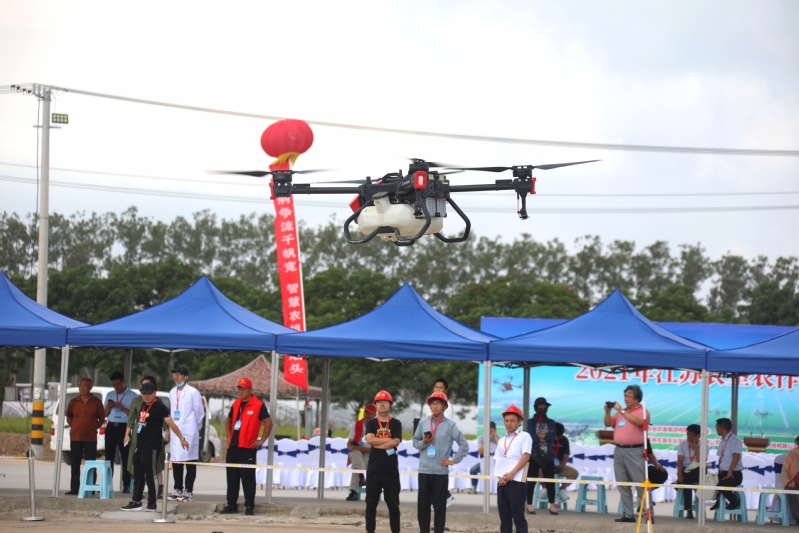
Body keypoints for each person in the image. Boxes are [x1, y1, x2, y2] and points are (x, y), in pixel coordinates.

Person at [121, 382, 189, 512]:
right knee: (138, 474)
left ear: (154, 393)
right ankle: (136, 501)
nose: (146, 396)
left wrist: (182, 439)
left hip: (152, 446)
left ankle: (152, 503)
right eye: (144, 394)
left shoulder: (160, 407)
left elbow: (171, 424)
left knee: (151, 474)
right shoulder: (143, 405)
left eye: (149, 393)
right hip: (140, 445)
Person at [413, 391, 469, 533]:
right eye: (433, 403)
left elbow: (464, 445)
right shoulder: (423, 422)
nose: (435, 406)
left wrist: (453, 461)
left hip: (440, 472)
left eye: (438, 403)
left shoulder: (450, 425)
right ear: (430, 406)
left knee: (439, 507)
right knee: (423, 506)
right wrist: (424, 443)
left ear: (444, 407)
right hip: (424, 470)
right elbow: (415, 442)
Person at [220, 378, 272, 516]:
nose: (240, 391)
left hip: (247, 448)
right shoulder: (236, 403)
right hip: (233, 447)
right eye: (239, 388)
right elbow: (228, 420)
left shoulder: (258, 405)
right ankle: (231, 504)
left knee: (248, 478)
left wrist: (262, 440)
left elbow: (268, 423)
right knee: (232, 478)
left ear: (250, 390)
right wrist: (229, 436)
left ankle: (249, 506)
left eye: (243, 388)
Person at [604, 384, 650, 523]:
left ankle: (648, 515)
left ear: (637, 398)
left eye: (629, 396)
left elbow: (638, 422)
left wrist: (622, 411)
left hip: (634, 450)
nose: (626, 399)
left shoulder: (642, 411)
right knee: (622, 484)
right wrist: (607, 412)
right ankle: (628, 514)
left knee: (640, 483)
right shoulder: (621, 412)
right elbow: (608, 423)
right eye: (625, 396)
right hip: (619, 450)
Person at [364, 390, 402, 533]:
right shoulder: (371, 423)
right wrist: (388, 440)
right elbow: (370, 440)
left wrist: (378, 443)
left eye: (385, 402)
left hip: (391, 471)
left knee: (393, 505)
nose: (382, 405)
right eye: (379, 402)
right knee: (371, 505)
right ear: (375, 405)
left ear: (390, 405)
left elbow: (396, 442)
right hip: (374, 470)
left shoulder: (396, 423)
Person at [166, 365, 205, 502]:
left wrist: (197, 427)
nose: (176, 377)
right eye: (174, 374)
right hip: (176, 430)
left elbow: (199, 412)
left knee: (190, 460)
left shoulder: (193, 392)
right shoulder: (172, 392)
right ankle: (178, 489)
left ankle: (188, 491)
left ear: (186, 377)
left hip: (189, 430)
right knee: (176, 460)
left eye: (179, 374)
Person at [125, 376, 167, 500]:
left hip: (154, 437)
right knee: (137, 464)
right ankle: (138, 494)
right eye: (144, 387)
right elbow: (131, 419)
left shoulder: (158, 403)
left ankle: (157, 491)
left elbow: (166, 420)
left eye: (149, 388)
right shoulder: (137, 401)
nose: (146, 392)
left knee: (155, 464)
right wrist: (126, 434)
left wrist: (167, 433)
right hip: (139, 436)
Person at [494, 405, 532, 533]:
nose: (509, 423)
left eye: (512, 421)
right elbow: (497, 459)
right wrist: (500, 477)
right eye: (506, 421)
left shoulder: (524, 436)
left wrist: (512, 473)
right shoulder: (502, 440)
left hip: (517, 482)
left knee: (518, 517)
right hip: (502, 482)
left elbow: (526, 456)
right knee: (504, 518)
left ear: (519, 421)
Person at [65, 377, 105, 495]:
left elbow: (102, 418)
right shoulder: (73, 402)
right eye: (81, 386)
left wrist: (94, 427)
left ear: (90, 387)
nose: (82, 388)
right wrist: (74, 426)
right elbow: (68, 416)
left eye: (85, 386)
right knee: (75, 464)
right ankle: (74, 488)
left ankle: (90, 487)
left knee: (91, 463)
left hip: (90, 438)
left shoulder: (96, 402)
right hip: (75, 437)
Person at [422, 378, 456, 507]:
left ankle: (445, 497)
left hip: (441, 444)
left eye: (441, 388)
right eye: (436, 387)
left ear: (446, 390)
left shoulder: (448, 406)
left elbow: (445, 425)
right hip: (429, 443)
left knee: (438, 472)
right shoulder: (428, 406)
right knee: (430, 472)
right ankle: (437, 499)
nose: (438, 389)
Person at [104, 371, 136, 493]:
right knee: (109, 456)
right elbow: (104, 414)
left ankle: (126, 484)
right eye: (114, 385)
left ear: (124, 382)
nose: (116, 387)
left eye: (118, 384)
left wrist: (122, 408)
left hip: (124, 427)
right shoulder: (110, 394)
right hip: (111, 426)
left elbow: (135, 415)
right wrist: (109, 406)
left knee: (125, 456)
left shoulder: (132, 396)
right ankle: (107, 484)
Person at [525, 396, 558, 515]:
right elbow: (531, 436)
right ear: (536, 408)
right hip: (534, 456)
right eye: (540, 406)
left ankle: (552, 505)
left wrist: (539, 436)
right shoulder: (530, 422)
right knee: (531, 481)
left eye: (544, 406)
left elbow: (552, 436)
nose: (543, 408)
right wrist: (544, 437)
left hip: (548, 456)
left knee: (550, 481)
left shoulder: (551, 422)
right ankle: (529, 506)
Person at [345, 403, 376, 501]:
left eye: (370, 413)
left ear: (374, 415)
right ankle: (362, 477)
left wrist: (362, 449)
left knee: (357, 466)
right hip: (357, 451)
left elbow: (377, 449)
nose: (368, 415)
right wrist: (351, 447)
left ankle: (353, 492)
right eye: (366, 412)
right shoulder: (356, 425)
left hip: (369, 453)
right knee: (356, 455)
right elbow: (349, 442)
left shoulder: (377, 428)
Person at [711, 417, 743, 511]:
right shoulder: (723, 441)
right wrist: (718, 471)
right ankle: (719, 501)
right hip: (723, 472)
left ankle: (735, 501)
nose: (716, 429)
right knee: (711, 482)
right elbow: (721, 457)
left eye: (717, 427)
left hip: (734, 474)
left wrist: (730, 471)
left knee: (720, 486)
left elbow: (736, 456)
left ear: (722, 428)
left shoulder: (734, 440)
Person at [676, 424, 707, 519]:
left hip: (698, 470)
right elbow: (680, 461)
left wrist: (696, 449)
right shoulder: (683, 444)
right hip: (686, 469)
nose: (688, 436)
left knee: (688, 479)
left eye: (691, 434)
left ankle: (688, 509)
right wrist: (679, 475)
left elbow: (702, 462)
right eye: (687, 434)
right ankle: (689, 510)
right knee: (686, 480)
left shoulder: (704, 446)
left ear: (698, 436)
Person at [553, 423, 579, 502]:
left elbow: (566, 456)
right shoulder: (546, 439)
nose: (557, 438)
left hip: (560, 465)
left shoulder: (564, 440)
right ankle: (545, 488)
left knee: (574, 473)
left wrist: (561, 466)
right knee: (536, 471)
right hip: (546, 466)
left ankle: (561, 489)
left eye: (559, 437)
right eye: (556, 436)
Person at [470, 421, 498, 493]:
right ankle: (475, 486)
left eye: (491, 430)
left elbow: (501, 449)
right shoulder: (481, 438)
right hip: (484, 461)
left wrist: (495, 436)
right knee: (473, 470)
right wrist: (487, 440)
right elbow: (480, 452)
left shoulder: (499, 438)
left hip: (495, 461)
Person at [781, 435, 799, 524]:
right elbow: (785, 470)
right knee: (791, 492)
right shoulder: (792, 453)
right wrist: (787, 482)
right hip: (794, 482)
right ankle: (797, 517)